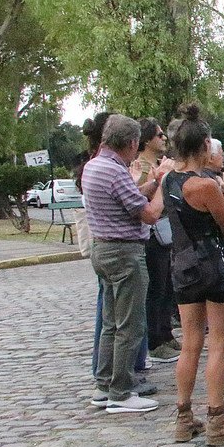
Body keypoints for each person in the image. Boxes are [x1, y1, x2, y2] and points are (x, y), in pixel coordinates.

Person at [163, 103, 224, 445]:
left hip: (183, 265)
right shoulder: (203, 185)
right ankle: (217, 418)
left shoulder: (168, 180)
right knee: (219, 342)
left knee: (190, 343)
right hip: (214, 266)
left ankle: (184, 416)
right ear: (205, 144)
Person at [84, 114, 170, 414]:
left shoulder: (95, 166)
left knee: (110, 322)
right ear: (133, 143)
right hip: (124, 253)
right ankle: (121, 391)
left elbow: (128, 198)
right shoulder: (115, 171)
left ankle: (104, 384)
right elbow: (149, 214)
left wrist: (152, 183)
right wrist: (163, 186)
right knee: (130, 324)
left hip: (103, 248)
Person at [136, 118, 181, 365]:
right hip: (152, 232)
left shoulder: (157, 163)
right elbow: (141, 196)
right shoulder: (141, 166)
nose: (164, 139)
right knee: (156, 288)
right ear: (146, 140)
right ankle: (155, 340)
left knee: (166, 286)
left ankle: (165, 332)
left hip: (165, 229)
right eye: (159, 135)